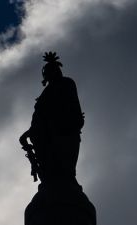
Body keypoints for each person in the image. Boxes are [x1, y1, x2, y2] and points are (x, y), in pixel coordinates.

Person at [19, 52, 84, 186]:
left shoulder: (66, 83)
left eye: (55, 70)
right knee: (48, 169)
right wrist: (30, 132)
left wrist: (63, 124)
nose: (53, 73)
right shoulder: (46, 93)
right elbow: (39, 117)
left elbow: (71, 107)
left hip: (63, 132)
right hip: (42, 137)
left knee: (64, 168)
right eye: (49, 71)